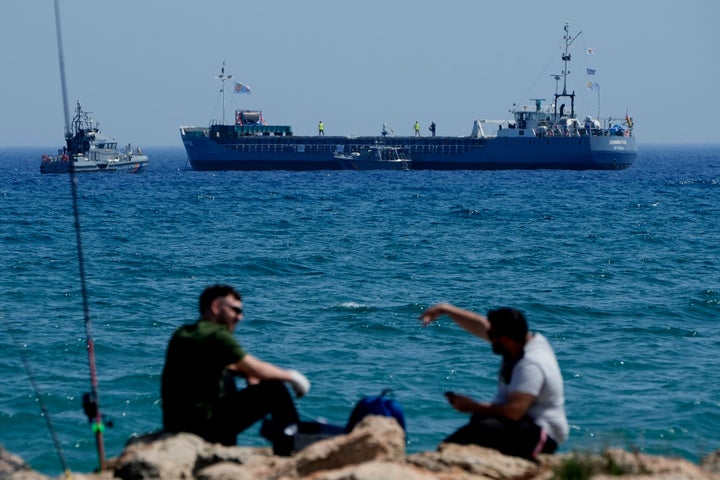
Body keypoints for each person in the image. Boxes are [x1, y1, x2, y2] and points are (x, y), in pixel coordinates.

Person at [161, 284, 310, 454]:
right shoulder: (217, 334)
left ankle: (226, 445)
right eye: (235, 310)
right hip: (204, 427)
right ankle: (291, 450)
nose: (240, 317)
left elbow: (226, 364)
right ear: (216, 307)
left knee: (226, 375)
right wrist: (292, 377)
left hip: (176, 424)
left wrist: (247, 373)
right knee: (275, 389)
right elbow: (253, 366)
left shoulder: (183, 333)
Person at [419, 304, 568, 460]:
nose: (489, 339)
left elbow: (514, 411)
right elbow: (479, 325)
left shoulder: (531, 363)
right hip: (521, 424)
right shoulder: (518, 341)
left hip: (542, 434)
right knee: (480, 421)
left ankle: (440, 458)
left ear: (503, 339)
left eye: (492, 336)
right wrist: (445, 309)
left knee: (482, 428)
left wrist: (471, 406)